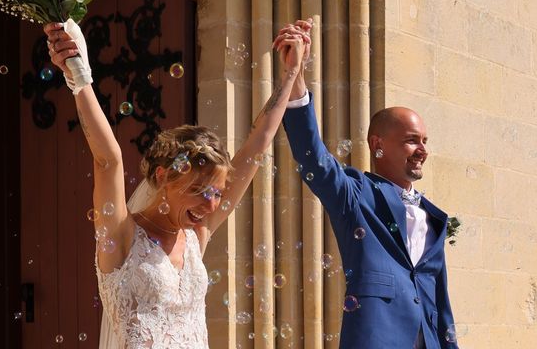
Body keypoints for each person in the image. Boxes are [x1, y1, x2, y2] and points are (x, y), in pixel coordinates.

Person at [43, 19, 309, 349]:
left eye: (215, 193)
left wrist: (291, 74)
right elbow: (108, 159)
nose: (212, 205)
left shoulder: (196, 234)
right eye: (199, 191)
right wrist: (79, 79)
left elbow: (259, 142)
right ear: (163, 177)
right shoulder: (122, 235)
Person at [279, 19, 458, 348]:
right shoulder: (356, 195)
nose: (423, 150)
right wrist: (296, 75)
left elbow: (440, 304)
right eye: (411, 140)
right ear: (378, 144)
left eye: (425, 141)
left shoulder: (433, 217)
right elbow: (313, 159)